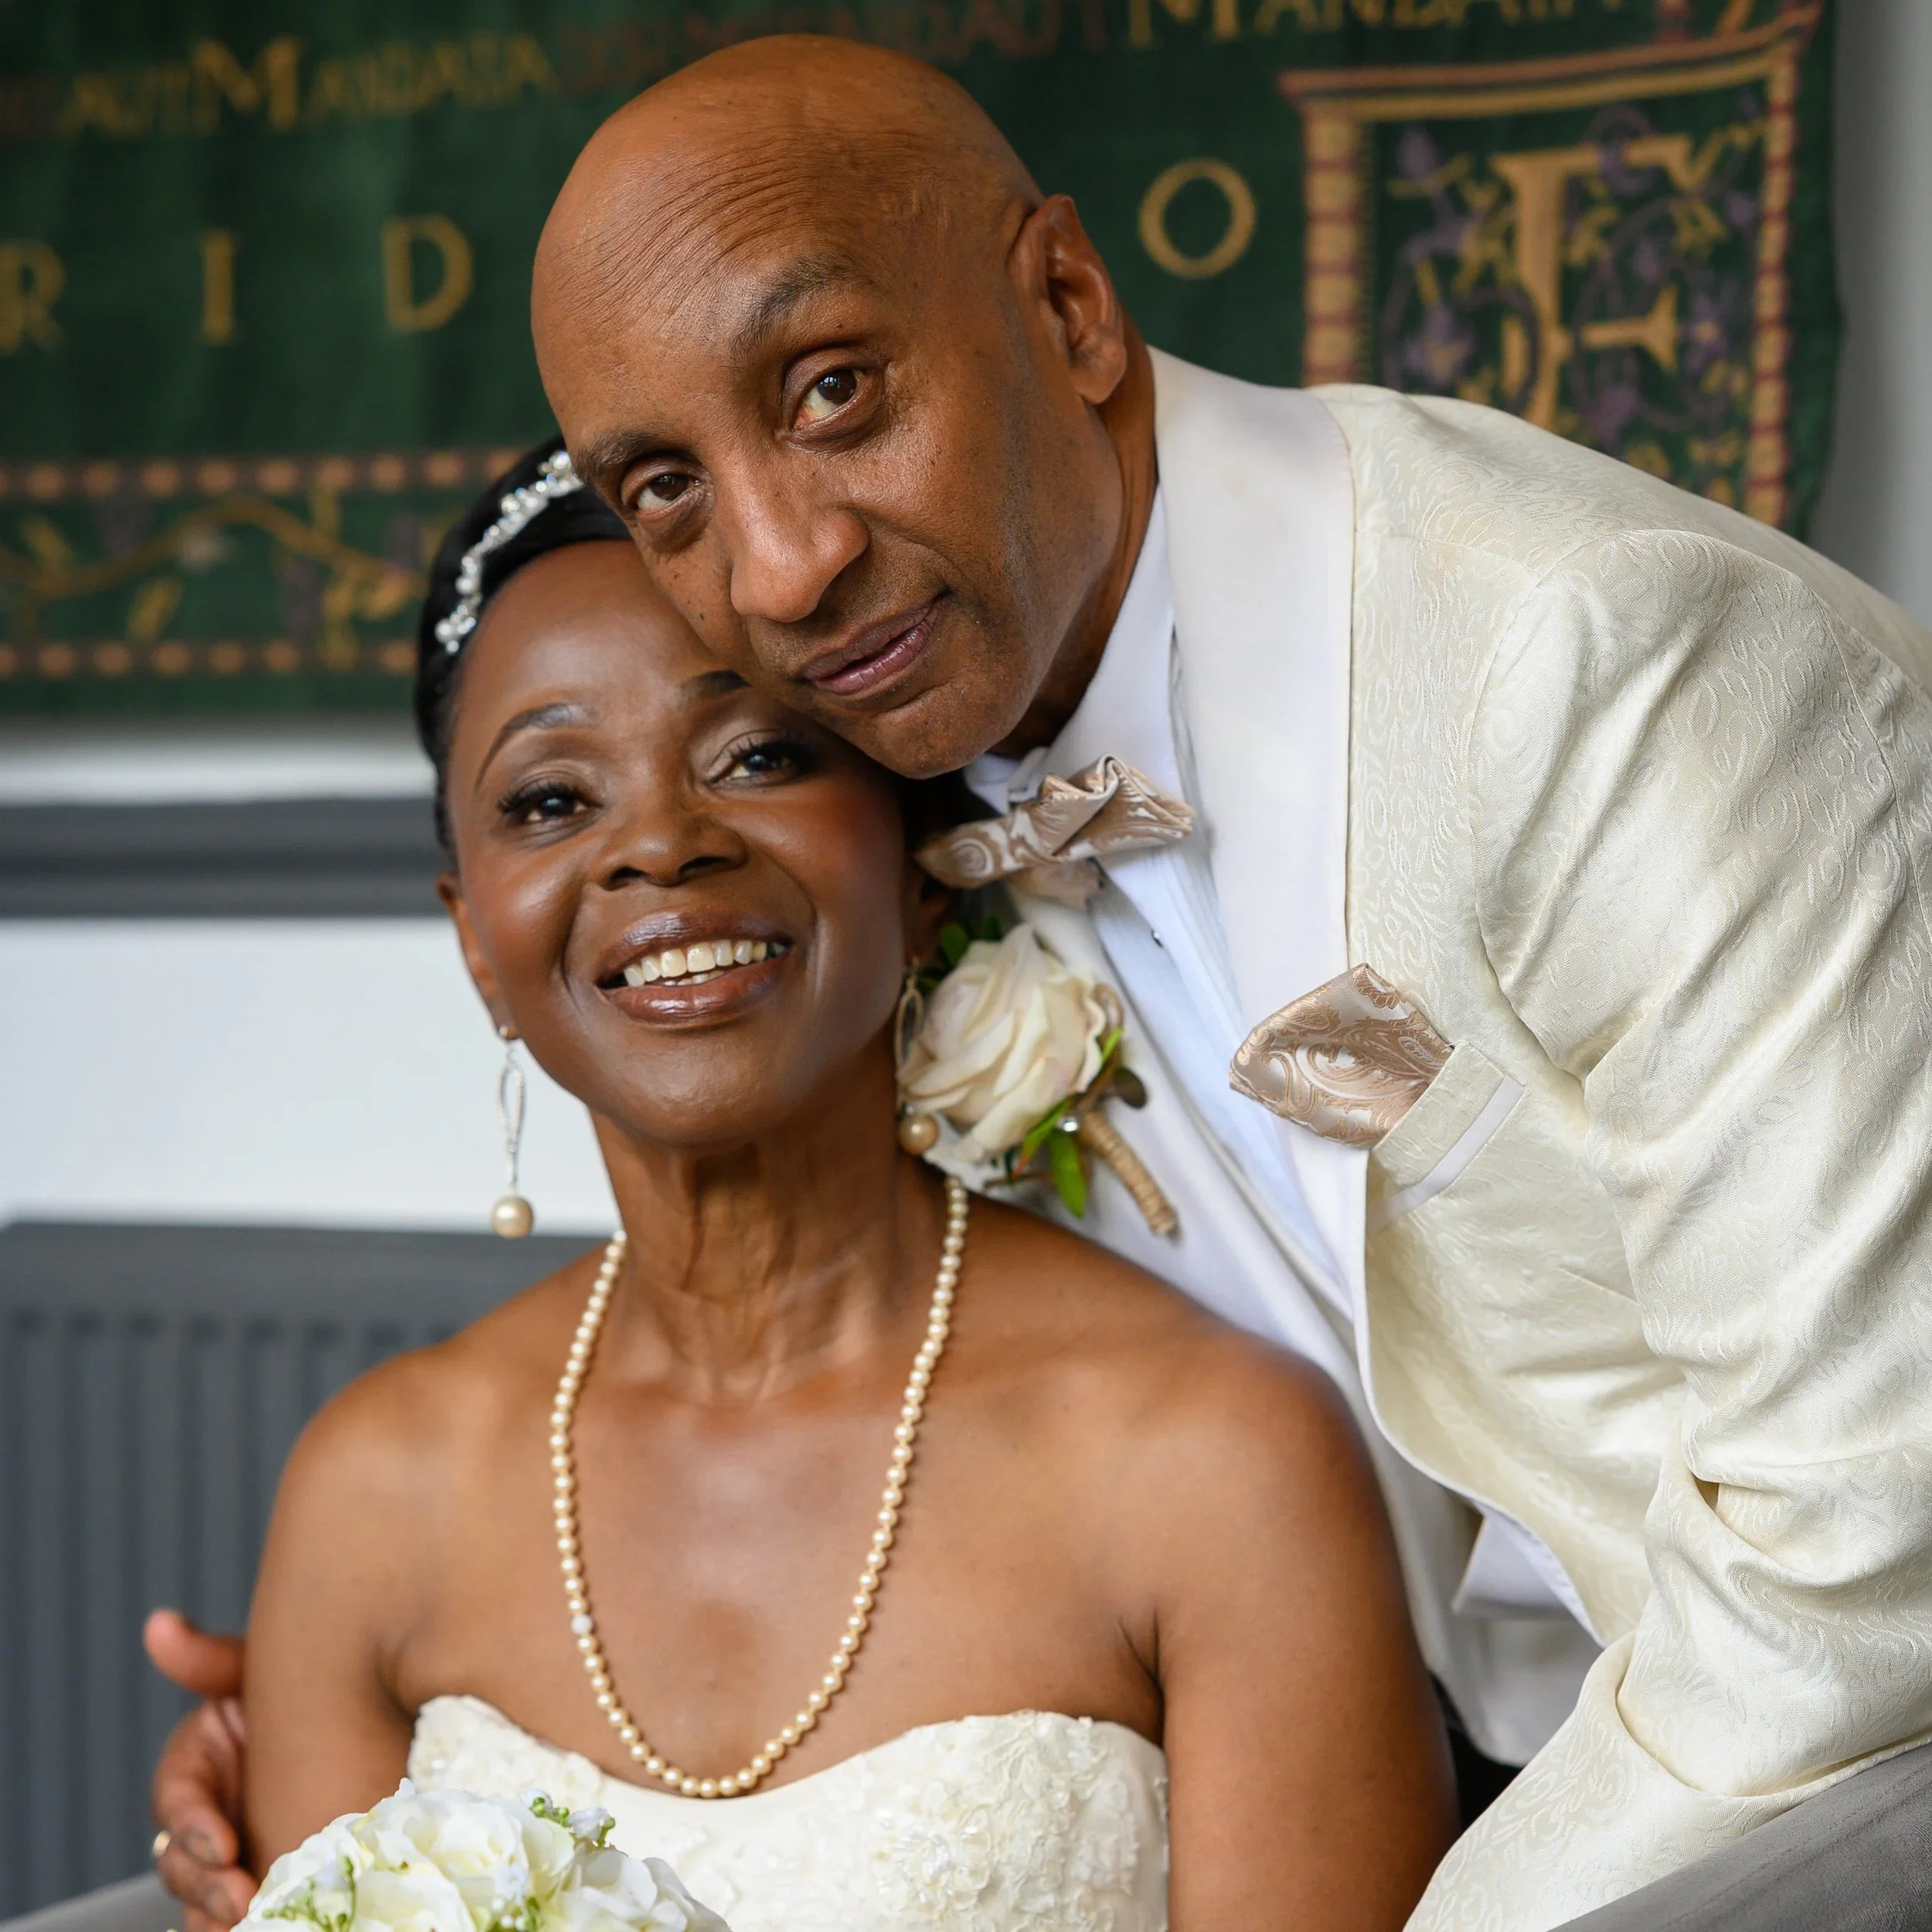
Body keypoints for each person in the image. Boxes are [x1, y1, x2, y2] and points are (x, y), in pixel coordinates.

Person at [154, 34, 1932, 1932]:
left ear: (1069, 307)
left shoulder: (1592, 659)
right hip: (1476, 1756)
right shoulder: (927, 743)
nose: (783, 564)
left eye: (834, 390)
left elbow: (1863, 1554)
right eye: (667, 484)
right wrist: (394, 1808)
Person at [181, 441, 1453, 1932]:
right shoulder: (373, 1495)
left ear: (922, 864)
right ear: (477, 940)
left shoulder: (1214, 1460)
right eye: (549, 799)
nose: (660, 844)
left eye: (761, 755)